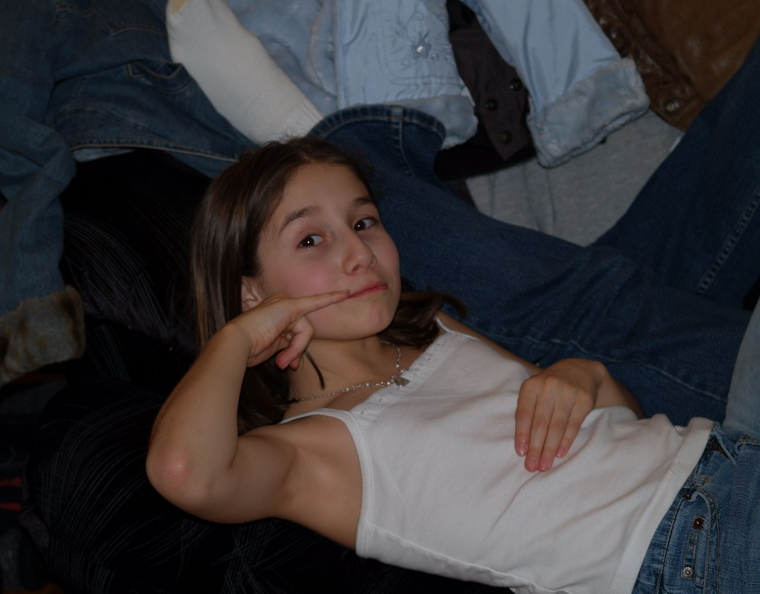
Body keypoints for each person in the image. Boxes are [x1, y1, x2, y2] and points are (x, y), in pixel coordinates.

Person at [146, 138, 760, 594]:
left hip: (721, 454)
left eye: (363, 222)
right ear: (251, 291)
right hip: (687, 549)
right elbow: (184, 472)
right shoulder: (310, 451)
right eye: (311, 239)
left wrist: (585, 376)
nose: (359, 252)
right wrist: (237, 336)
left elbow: (615, 422)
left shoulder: (433, 329)